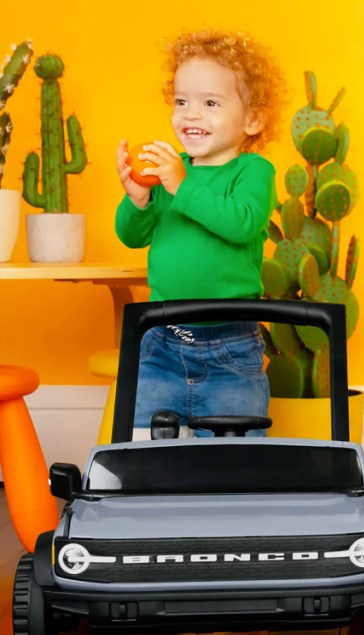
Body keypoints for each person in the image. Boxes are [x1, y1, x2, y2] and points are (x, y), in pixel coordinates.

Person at [114, 29, 287, 437]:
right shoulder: (170, 171)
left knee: (233, 459)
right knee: (144, 448)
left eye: (210, 103)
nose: (191, 114)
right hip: (161, 339)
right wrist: (138, 200)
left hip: (231, 345)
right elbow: (131, 236)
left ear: (252, 119)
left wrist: (182, 185)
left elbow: (241, 222)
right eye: (181, 102)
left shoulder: (252, 171)